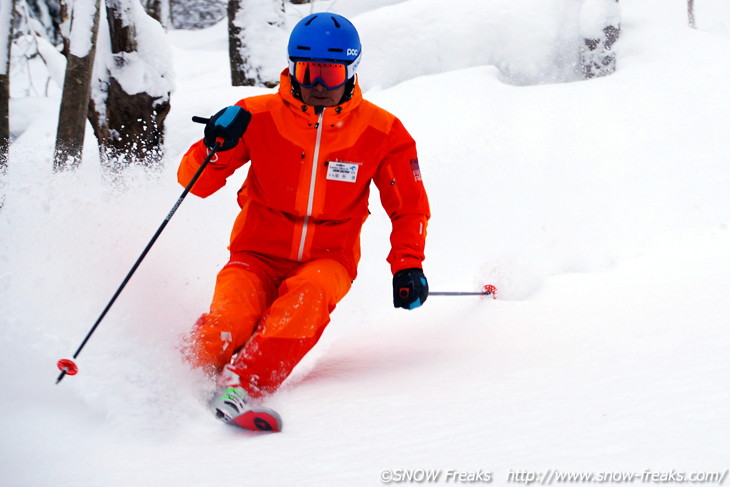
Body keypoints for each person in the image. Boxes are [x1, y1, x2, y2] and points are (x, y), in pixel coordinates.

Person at [178, 12, 430, 425]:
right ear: (292, 68)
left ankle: (243, 386)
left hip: (327, 259)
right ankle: (180, 378)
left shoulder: (383, 132)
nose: (316, 85)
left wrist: (408, 265)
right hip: (255, 255)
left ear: (351, 72)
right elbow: (194, 184)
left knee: (305, 301)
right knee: (226, 322)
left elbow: (409, 205)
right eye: (307, 71)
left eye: (329, 75)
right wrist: (215, 146)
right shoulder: (255, 116)